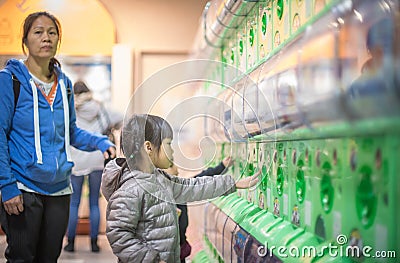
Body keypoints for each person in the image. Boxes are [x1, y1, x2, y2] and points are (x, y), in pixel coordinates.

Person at [0, 11, 116, 262]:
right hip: (23, 187)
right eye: (38, 32)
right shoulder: (9, 80)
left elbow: (71, 131)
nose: (46, 38)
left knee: (50, 257)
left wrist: (101, 142)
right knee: (21, 257)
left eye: (52, 33)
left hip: (60, 190)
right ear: (25, 40)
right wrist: (6, 185)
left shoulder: (64, 84)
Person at [101, 114, 259, 263]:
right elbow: (118, 235)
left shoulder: (159, 180)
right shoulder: (131, 189)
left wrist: (233, 183)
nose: (172, 150)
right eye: (168, 144)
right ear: (148, 147)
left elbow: (192, 187)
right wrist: (153, 260)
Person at [64, 81, 123, 253]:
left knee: (73, 203)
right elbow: (120, 117)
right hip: (98, 158)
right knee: (94, 204)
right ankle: (95, 243)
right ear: (89, 92)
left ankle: (70, 242)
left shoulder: (69, 108)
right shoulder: (100, 107)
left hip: (76, 161)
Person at [165, 156, 234, 263]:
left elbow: (200, 181)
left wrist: (222, 166)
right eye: (170, 166)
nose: (177, 170)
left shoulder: (178, 190)